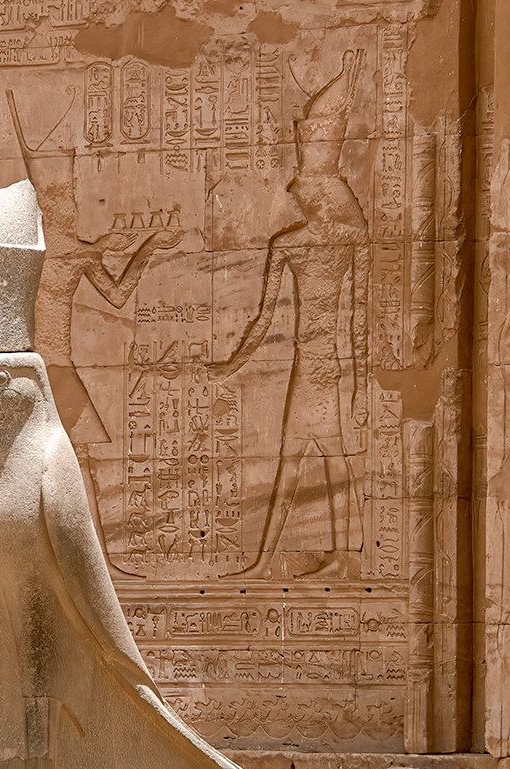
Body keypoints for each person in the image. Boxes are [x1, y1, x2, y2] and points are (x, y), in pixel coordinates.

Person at [209, 52, 369, 580]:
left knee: (304, 461)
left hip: (315, 366)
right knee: (324, 460)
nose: (298, 196)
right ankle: (315, 558)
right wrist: (359, 387)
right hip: (329, 366)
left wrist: (228, 366)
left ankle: (303, 560)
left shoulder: (296, 243)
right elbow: (357, 324)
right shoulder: (341, 240)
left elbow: (263, 322)